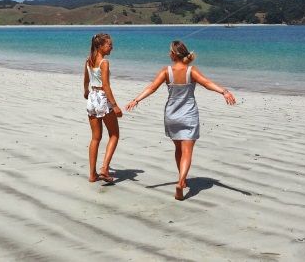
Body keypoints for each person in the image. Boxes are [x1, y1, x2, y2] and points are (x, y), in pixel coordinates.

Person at [126, 40, 236, 200]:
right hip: (188, 115)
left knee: (178, 149)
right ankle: (181, 182)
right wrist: (224, 91)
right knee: (187, 151)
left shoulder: (166, 71)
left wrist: (136, 100)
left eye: (169, 51)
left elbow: (151, 88)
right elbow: (206, 83)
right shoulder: (191, 70)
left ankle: (181, 180)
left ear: (173, 54)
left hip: (171, 115)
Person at [83, 32, 122, 183]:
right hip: (102, 98)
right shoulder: (104, 63)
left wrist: (86, 91)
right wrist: (115, 106)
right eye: (109, 45)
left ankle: (92, 174)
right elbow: (106, 85)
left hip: (92, 97)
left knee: (95, 138)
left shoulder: (89, 60)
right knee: (114, 134)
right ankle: (104, 168)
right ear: (100, 46)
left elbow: (86, 79)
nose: (112, 47)